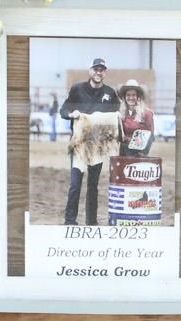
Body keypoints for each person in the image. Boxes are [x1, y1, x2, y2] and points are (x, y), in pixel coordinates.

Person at [59, 56, 119, 225]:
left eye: (101, 70)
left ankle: (91, 222)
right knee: (75, 184)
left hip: (98, 146)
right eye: (96, 69)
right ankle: (70, 220)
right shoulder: (77, 89)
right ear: (90, 71)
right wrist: (71, 114)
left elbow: (116, 114)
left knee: (93, 185)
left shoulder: (110, 93)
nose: (98, 72)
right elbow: (64, 109)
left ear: (105, 73)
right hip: (78, 145)